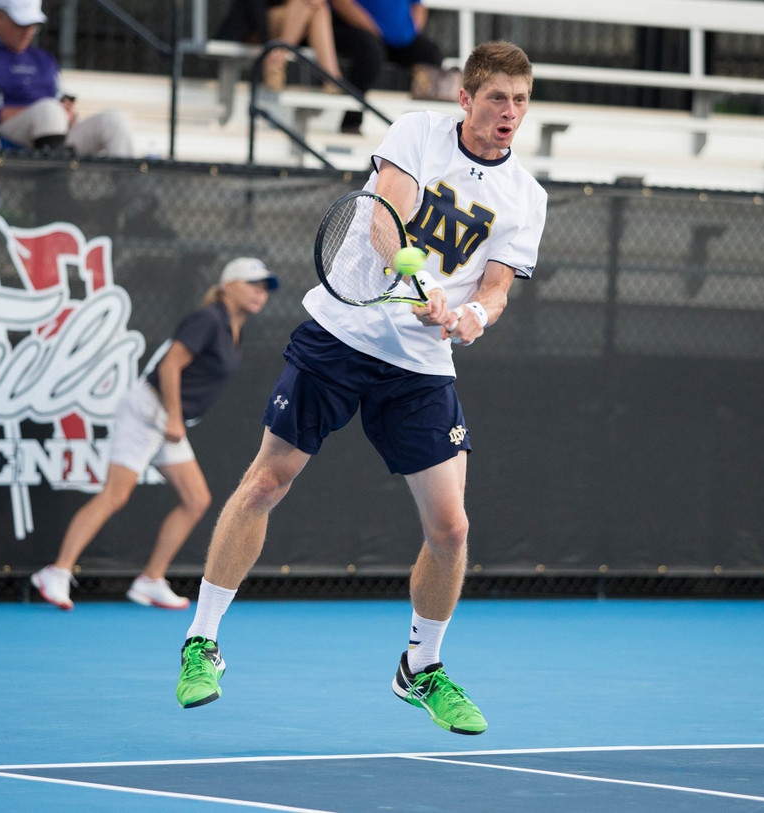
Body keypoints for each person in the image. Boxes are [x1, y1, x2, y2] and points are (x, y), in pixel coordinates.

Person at [174, 41, 547, 735]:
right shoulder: (415, 133)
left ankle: (421, 668)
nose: (509, 113)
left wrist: (472, 315)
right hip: (341, 335)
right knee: (267, 480)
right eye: (497, 98)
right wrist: (421, 281)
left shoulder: (527, 197)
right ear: (465, 99)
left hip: (422, 366)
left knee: (452, 527)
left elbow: (496, 291)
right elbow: (384, 221)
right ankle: (203, 641)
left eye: (520, 101)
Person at [30, 259, 280, 611]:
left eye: (265, 287)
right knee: (116, 495)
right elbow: (170, 365)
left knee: (195, 500)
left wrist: (174, 419)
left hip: (165, 417)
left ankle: (150, 580)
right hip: (148, 409)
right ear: (228, 286)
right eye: (253, 284)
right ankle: (55, 572)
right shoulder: (208, 319)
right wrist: (175, 418)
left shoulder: (233, 329)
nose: (260, 292)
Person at [0, 0, 133, 156]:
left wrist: (68, 113)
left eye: (33, 25)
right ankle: (55, 184)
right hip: (5, 135)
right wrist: (43, 110)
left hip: (53, 135)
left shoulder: (44, 58)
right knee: (49, 111)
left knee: (114, 120)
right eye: (20, 24)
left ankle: (130, 185)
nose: (28, 32)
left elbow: (61, 100)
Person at [330, 0, 444, 134]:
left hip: (397, 38)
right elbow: (341, 3)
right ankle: (351, 123)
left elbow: (418, 6)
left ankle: (414, 129)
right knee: (371, 53)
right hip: (356, 27)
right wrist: (374, 30)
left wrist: (410, 31)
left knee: (430, 55)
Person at [216, 0, 343, 94]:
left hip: (290, 27)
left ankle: (277, 59)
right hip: (252, 25)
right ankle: (332, 78)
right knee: (309, 4)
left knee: (319, 8)